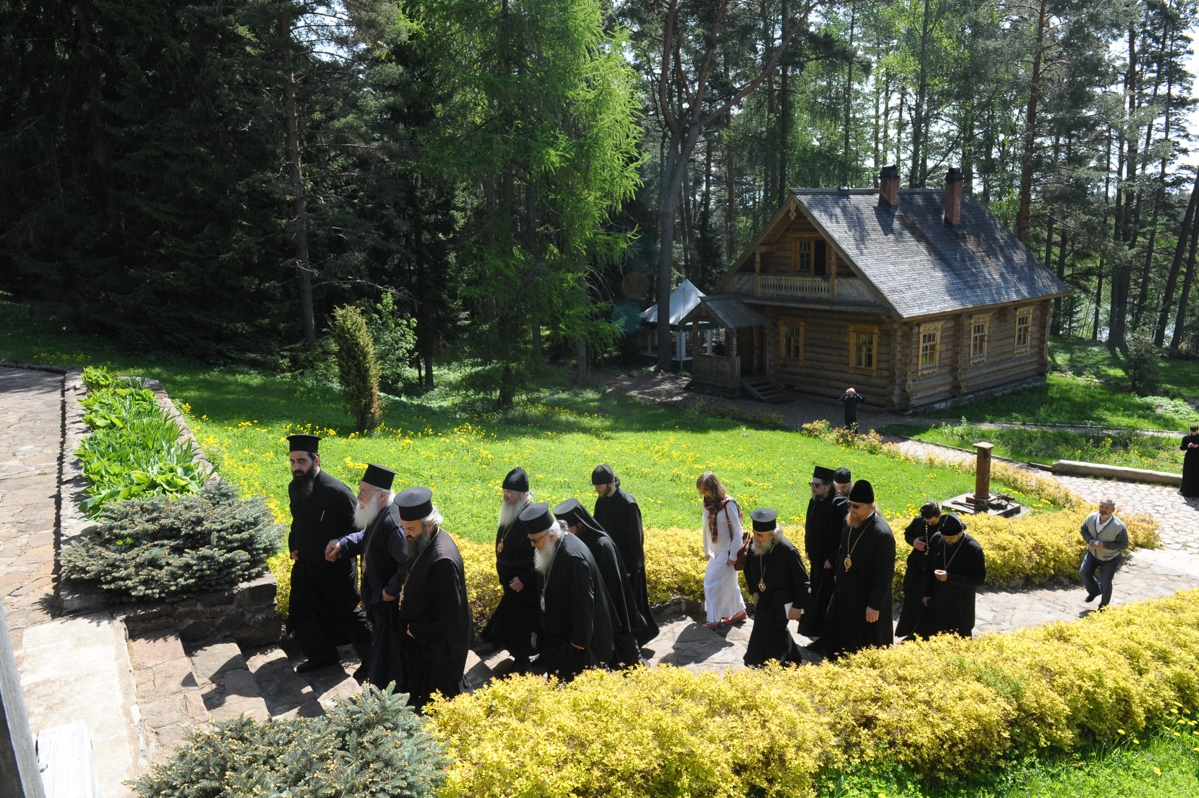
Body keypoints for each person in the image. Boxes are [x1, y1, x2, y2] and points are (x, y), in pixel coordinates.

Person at [285, 434, 373, 675]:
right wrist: (293, 544)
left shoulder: (337, 491)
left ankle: (371, 659)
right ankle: (321, 656)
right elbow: (297, 521)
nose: (296, 468)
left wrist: (339, 542)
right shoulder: (295, 487)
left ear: (316, 460)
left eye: (301, 461)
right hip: (305, 563)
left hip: (335, 566)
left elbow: (359, 527)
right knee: (303, 610)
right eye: (292, 462)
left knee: (347, 613)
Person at [324, 464, 406, 687]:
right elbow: (367, 537)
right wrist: (343, 543)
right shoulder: (379, 513)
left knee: (389, 647)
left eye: (364, 492)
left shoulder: (394, 524)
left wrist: (390, 591)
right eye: (360, 490)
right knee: (380, 642)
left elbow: (407, 562)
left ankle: (389, 690)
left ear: (381, 497)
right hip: (377, 595)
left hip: (387, 600)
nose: (358, 496)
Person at [393, 487, 472, 713]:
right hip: (430, 639)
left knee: (444, 696)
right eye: (403, 527)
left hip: (442, 643)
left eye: (411, 529)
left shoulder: (441, 559)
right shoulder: (425, 540)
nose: (406, 533)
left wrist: (416, 629)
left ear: (429, 524)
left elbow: (448, 607)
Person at [523, 503, 615, 682]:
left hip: (574, 646)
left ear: (551, 536)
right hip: (557, 640)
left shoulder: (573, 559)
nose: (532, 545)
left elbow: (584, 606)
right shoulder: (552, 548)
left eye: (535, 540)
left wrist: (578, 642)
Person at [554, 498, 645, 668]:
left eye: (570, 529)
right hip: (595, 604)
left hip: (612, 605)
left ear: (580, 524)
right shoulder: (576, 542)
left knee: (629, 654)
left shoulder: (602, 545)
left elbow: (614, 586)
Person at [825, 479, 895, 659]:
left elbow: (884, 575)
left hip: (866, 597)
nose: (852, 510)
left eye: (856, 506)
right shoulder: (849, 520)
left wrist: (874, 605)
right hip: (845, 590)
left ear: (870, 506)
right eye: (850, 505)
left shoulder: (882, 534)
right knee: (835, 628)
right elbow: (843, 549)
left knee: (862, 642)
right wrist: (838, 573)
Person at [480, 467, 539, 671]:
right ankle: (517, 656)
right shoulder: (511, 511)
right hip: (511, 583)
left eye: (510, 494)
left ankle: (523, 663)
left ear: (523, 494)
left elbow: (542, 556)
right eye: (504, 493)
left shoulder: (532, 516)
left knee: (523, 626)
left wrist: (523, 579)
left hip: (526, 586)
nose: (506, 498)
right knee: (513, 624)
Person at [592, 465, 659, 645]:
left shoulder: (628, 504)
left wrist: (629, 567)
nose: (597, 490)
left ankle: (639, 639)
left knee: (633, 604)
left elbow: (636, 540)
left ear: (610, 483)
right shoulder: (602, 500)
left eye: (599, 486)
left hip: (630, 566)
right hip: (612, 562)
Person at [742, 509, 810, 667]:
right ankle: (793, 660)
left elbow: (802, 582)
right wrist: (754, 590)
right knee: (774, 631)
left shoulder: (788, 551)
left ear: (772, 535)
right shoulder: (756, 542)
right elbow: (748, 567)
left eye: (760, 535)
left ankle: (757, 661)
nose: (756, 539)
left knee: (764, 627)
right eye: (755, 533)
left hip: (783, 599)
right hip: (764, 596)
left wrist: (797, 606)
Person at [895, 502, 961, 639]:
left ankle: (923, 634)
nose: (929, 525)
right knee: (912, 599)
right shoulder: (919, 521)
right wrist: (914, 542)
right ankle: (909, 631)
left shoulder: (947, 524)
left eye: (932, 522)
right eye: (927, 522)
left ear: (939, 516)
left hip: (933, 570)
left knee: (927, 603)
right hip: (916, 568)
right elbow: (908, 534)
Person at [913, 517, 986, 639]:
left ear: (960, 532)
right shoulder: (937, 539)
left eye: (951, 538)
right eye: (945, 538)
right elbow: (928, 568)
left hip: (960, 605)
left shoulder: (973, 549)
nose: (947, 541)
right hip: (937, 601)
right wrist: (926, 593)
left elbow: (979, 580)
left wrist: (950, 577)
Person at [798, 466, 846, 646]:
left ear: (828, 486)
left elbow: (845, 535)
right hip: (817, 560)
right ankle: (816, 632)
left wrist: (832, 558)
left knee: (826, 599)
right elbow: (808, 525)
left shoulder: (839, 504)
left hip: (829, 563)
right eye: (811, 484)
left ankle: (828, 636)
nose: (813, 488)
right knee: (816, 597)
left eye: (816, 485)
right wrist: (808, 548)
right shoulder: (815, 500)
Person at [696, 471, 748, 630]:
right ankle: (739, 612)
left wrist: (732, 556)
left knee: (710, 583)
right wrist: (706, 550)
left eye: (706, 490)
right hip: (715, 551)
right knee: (730, 584)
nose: (704, 494)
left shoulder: (728, 504)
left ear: (714, 487)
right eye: (701, 490)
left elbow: (738, 532)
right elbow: (705, 528)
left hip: (727, 552)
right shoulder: (706, 503)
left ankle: (714, 619)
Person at [1079, 499, 1129, 609]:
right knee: (1084, 572)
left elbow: (1124, 544)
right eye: (1102, 506)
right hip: (1092, 554)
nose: (1103, 509)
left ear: (1113, 510)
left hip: (1110, 558)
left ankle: (1103, 606)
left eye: (1107, 508)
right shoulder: (1091, 518)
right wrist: (1089, 540)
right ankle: (1095, 591)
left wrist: (1104, 545)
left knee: (1106, 582)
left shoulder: (1119, 527)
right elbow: (1083, 529)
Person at [1181, 425, 1199, 497]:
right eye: (1192, 431)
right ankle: (1186, 491)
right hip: (1189, 457)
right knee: (1188, 473)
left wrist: (1197, 446)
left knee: (1196, 473)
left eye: (1195, 431)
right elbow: (1181, 447)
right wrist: (1187, 446)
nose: (1194, 433)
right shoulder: (1186, 438)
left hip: (1197, 457)